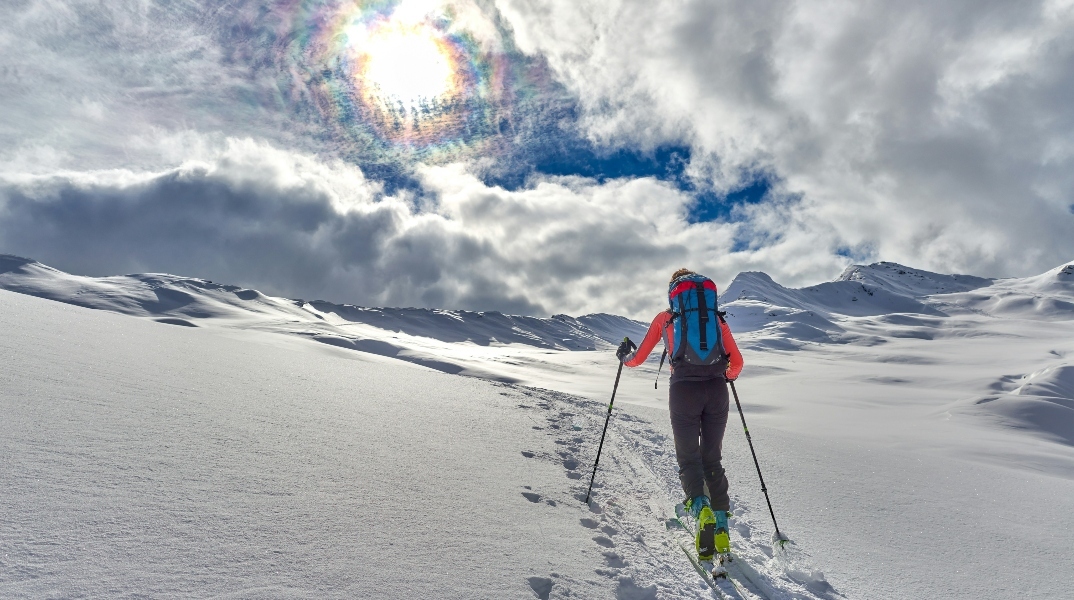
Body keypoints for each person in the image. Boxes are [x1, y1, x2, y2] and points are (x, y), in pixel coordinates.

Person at [616, 268, 744, 560]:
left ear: (675, 294)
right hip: (716, 390)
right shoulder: (717, 320)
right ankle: (722, 526)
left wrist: (623, 355)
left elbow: (636, 359)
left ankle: (701, 512)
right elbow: (737, 363)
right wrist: (725, 376)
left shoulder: (666, 318)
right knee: (712, 457)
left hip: (683, 391)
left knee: (689, 457)